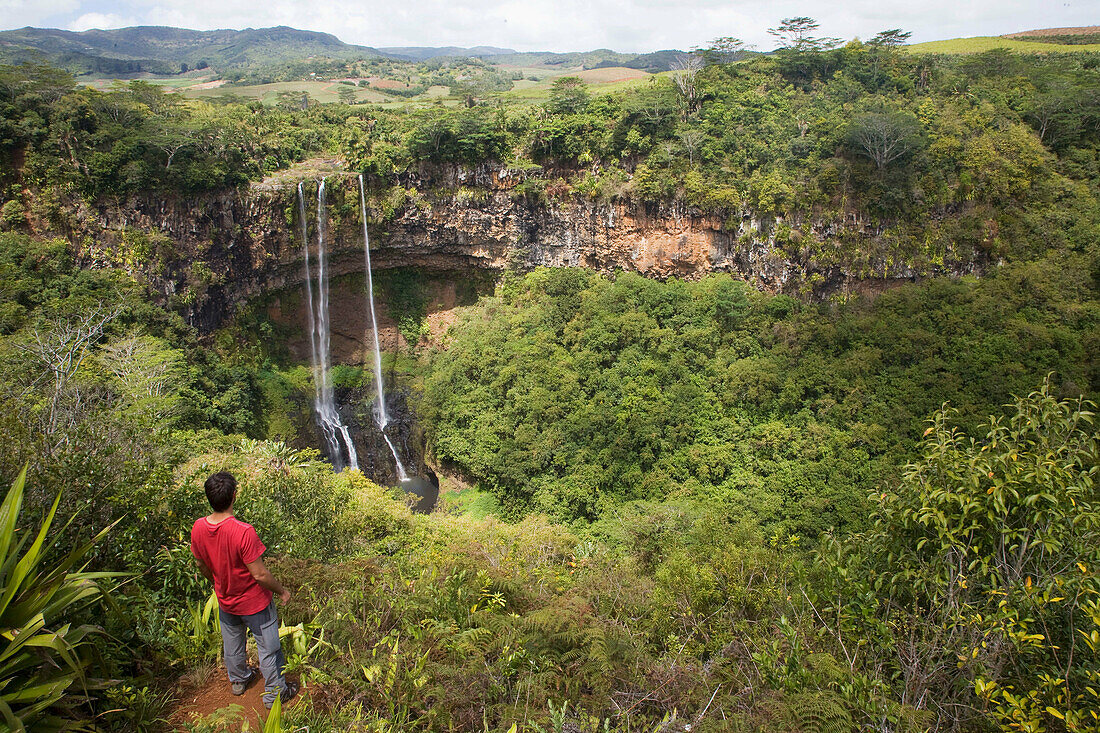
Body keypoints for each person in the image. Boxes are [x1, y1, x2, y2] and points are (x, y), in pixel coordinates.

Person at [190, 471, 298, 709]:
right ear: (234, 496)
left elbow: (200, 564)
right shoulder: (243, 531)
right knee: (269, 647)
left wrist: (216, 581)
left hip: (225, 599)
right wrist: (282, 591)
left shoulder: (198, 527)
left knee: (233, 644)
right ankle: (276, 694)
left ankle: (239, 681)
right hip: (255, 602)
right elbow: (259, 574)